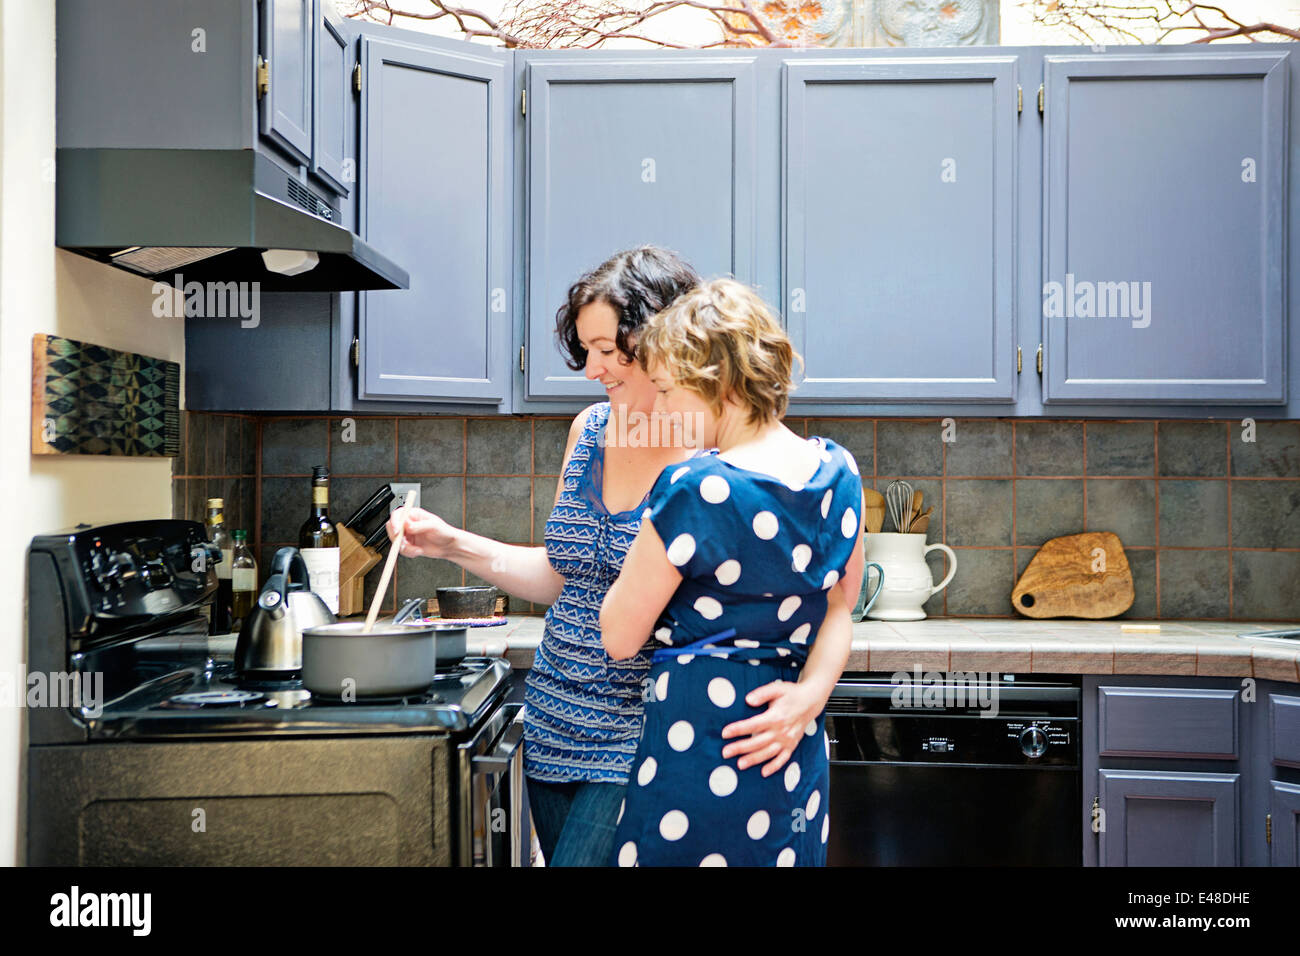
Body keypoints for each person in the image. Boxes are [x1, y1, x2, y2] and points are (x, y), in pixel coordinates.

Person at [599, 277, 866, 866]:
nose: (660, 408)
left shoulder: (694, 489)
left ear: (717, 384)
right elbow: (842, 610)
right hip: (789, 747)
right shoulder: (840, 473)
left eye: (669, 391)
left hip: (698, 749)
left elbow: (618, 637)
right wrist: (809, 700)